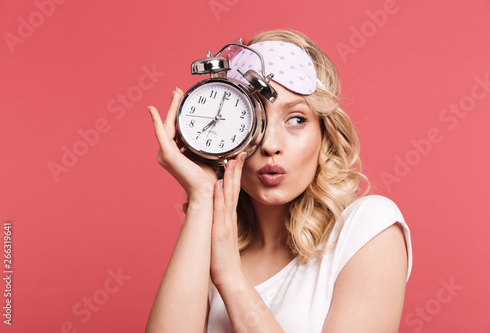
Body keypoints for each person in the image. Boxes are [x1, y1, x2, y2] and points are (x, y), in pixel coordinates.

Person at [145, 29, 412, 333]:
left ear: (324, 134)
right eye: (252, 121)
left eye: (296, 119)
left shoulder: (367, 229)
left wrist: (231, 277)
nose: (271, 144)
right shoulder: (209, 248)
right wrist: (202, 196)